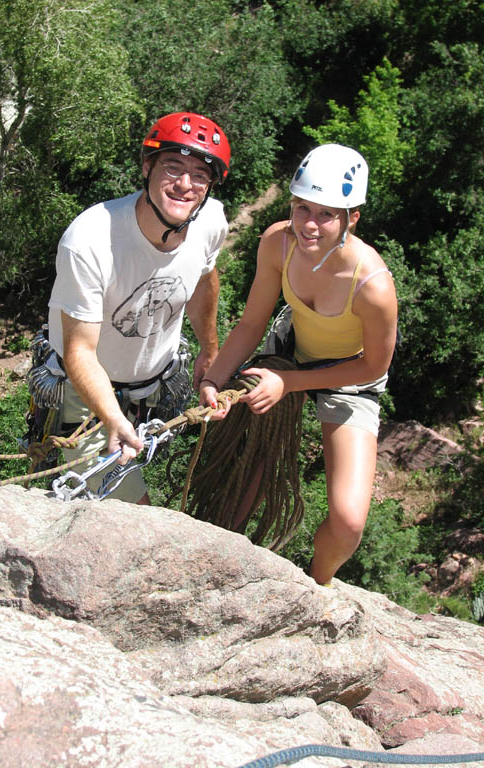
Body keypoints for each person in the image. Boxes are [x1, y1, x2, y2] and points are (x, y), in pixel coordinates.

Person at [199, 143, 398, 585]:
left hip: (349, 375)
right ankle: (214, 563)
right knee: (244, 477)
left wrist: (289, 383)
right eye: (302, 207)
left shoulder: (373, 287)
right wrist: (215, 377)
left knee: (348, 523)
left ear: (353, 219)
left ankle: (318, 585)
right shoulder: (277, 243)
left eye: (327, 214)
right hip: (288, 352)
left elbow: (371, 368)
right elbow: (252, 323)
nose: (309, 224)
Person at [42, 111, 231, 504]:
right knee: (135, 510)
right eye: (173, 167)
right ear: (147, 167)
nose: (184, 184)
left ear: (211, 185)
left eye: (200, 175)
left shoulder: (210, 221)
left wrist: (210, 351)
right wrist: (111, 418)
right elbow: (79, 350)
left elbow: (203, 280)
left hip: (156, 383)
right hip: (87, 395)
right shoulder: (90, 240)